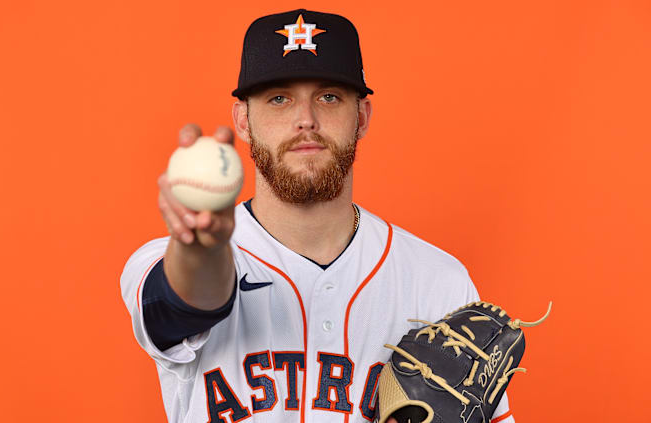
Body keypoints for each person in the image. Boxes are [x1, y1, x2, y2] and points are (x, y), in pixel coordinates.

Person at [120, 9, 514, 423]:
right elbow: (185, 303)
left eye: (328, 96)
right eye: (278, 98)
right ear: (243, 120)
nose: (305, 120)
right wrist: (203, 252)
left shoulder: (438, 282)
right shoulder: (161, 263)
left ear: (361, 117)